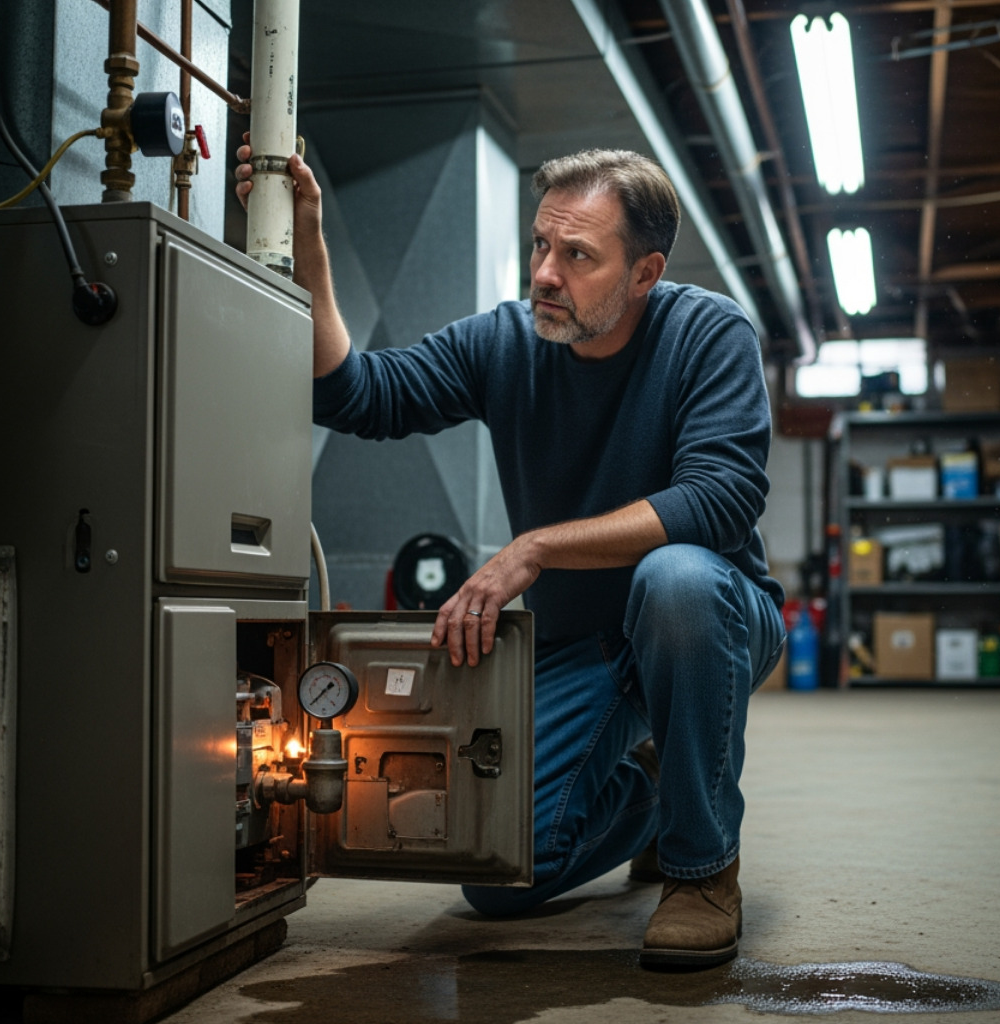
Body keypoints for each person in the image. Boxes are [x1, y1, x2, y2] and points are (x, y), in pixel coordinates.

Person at [236, 142, 786, 969]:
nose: (545, 275)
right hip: (583, 646)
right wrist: (308, 232)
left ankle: (702, 870)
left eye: (577, 256)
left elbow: (720, 498)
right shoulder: (503, 343)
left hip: (709, 616)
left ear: (645, 274)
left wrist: (532, 549)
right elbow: (354, 395)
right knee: (495, 879)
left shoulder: (709, 334)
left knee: (673, 578)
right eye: (539, 245)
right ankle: (649, 798)